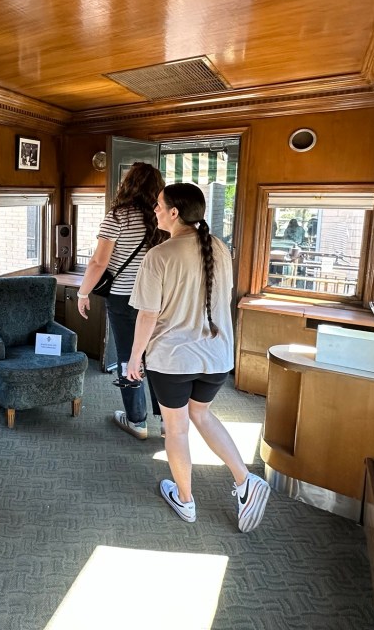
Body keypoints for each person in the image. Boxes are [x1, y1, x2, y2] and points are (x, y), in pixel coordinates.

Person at [127, 183, 270, 532]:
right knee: (201, 415)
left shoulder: (158, 256)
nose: (155, 210)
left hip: (173, 359)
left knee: (176, 430)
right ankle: (244, 481)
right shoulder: (219, 248)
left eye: (158, 205)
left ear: (174, 213)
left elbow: (147, 316)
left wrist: (134, 359)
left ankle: (186, 500)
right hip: (217, 357)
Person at [76, 161, 167, 440]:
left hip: (123, 298)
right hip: (157, 299)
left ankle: (137, 421)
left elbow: (98, 262)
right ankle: (167, 421)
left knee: (131, 357)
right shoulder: (162, 218)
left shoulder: (117, 217)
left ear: (127, 184)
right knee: (156, 358)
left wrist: (82, 293)